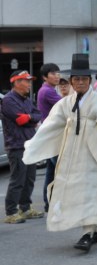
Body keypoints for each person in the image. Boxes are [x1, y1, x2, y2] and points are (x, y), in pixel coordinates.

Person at [23, 54, 97, 252]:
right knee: (78, 192)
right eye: (76, 79)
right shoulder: (65, 103)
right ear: (71, 81)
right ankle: (95, 229)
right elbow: (50, 126)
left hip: (95, 154)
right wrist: (33, 145)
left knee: (93, 191)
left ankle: (88, 233)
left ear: (89, 80)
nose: (80, 82)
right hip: (72, 155)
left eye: (84, 79)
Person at [1, 70, 43, 224]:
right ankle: (11, 212)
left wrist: (30, 117)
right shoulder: (8, 100)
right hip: (16, 145)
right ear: (17, 82)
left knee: (29, 178)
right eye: (27, 81)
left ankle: (25, 208)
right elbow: (20, 120)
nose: (29, 84)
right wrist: (31, 119)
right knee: (18, 179)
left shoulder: (26, 99)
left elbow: (38, 115)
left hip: (29, 144)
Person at [37, 63, 63, 212]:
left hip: (50, 135)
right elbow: (66, 106)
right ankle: (53, 203)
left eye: (58, 73)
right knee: (60, 169)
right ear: (45, 77)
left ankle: (49, 202)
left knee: (51, 170)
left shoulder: (45, 90)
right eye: (53, 73)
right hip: (53, 135)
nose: (57, 76)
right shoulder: (47, 91)